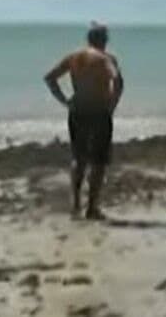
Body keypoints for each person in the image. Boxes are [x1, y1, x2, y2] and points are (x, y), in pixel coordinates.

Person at [44, 23, 124, 221]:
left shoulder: (74, 57)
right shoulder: (106, 58)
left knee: (78, 159)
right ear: (103, 40)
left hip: (77, 111)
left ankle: (76, 206)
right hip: (98, 112)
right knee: (98, 162)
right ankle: (92, 208)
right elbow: (118, 81)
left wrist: (65, 101)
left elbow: (50, 78)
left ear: (89, 39)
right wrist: (112, 105)